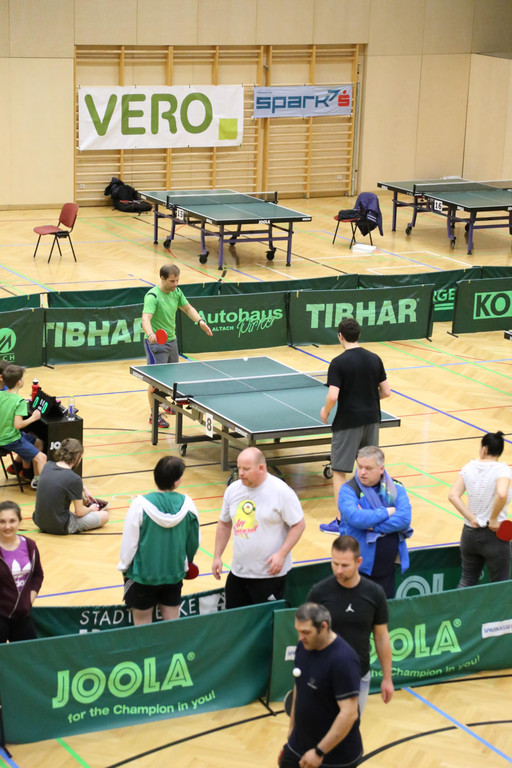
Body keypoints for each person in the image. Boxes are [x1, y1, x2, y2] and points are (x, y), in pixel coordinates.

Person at [319, 317, 390, 534]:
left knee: (339, 471)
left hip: (348, 422)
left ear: (340, 336)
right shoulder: (375, 358)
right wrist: (368, 398)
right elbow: (386, 392)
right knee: (370, 468)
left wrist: (326, 411)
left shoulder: (338, 363)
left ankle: (342, 521)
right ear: (359, 335)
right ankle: (373, 517)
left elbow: (333, 395)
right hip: (372, 420)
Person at [307, 535, 393, 712]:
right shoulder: (319, 592)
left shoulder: (375, 593)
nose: (339, 570)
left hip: (358, 677)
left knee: (351, 725)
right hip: (325, 677)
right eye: (335, 563)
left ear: (358, 562)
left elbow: (381, 637)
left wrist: (387, 678)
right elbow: (306, 636)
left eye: (345, 565)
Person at [212, 447, 305, 608]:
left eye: (246, 469)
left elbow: (299, 525)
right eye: (239, 468)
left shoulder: (281, 492)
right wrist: (217, 556)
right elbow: (224, 524)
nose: (241, 473)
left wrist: (281, 554)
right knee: (236, 618)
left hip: (270, 575)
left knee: (266, 621)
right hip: (239, 572)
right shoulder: (233, 490)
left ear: (261, 468)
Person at [118, 455, 200, 625]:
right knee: (171, 624)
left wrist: (124, 567)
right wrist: (186, 563)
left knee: (143, 627)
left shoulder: (139, 505)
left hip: (142, 576)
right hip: (174, 573)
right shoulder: (188, 505)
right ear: (176, 481)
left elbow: (129, 542)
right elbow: (194, 541)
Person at [279, 602, 363, 768]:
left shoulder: (343, 660)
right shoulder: (303, 647)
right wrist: (292, 729)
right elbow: (299, 687)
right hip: (299, 745)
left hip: (333, 756)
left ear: (323, 627)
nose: (301, 637)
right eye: (298, 631)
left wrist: (319, 752)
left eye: (306, 632)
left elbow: (349, 713)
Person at [141, 263, 213, 429]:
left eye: (177, 280)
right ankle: (154, 415)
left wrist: (200, 321)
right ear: (162, 278)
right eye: (172, 281)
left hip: (172, 341)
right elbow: (146, 318)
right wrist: (151, 334)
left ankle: (163, 402)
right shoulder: (152, 296)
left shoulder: (177, 292)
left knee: (171, 377)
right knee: (155, 381)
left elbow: (188, 309)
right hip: (156, 344)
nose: (175, 284)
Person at [337, 446, 412, 598]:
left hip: (387, 568)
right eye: (360, 467)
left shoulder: (396, 488)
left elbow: (404, 518)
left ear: (381, 469)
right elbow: (356, 518)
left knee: (383, 609)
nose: (362, 472)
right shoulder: (348, 490)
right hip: (357, 569)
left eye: (368, 468)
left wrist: (373, 526)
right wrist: (386, 512)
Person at [448, 430, 512, 587]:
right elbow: (502, 494)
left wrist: (471, 518)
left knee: (467, 581)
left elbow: (453, 495)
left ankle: (458, 605)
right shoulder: (502, 470)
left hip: (469, 534)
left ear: (484, 449)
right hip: (494, 536)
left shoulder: (468, 467)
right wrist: (493, 519)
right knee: (499, 586)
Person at [33, 438, 109, 535]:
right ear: (78, 457)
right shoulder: (74, 479)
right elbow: (79, 512)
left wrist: (84, 488)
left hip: (39, 521)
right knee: (105, 516)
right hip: (60, 526)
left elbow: (62, 480)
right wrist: (91, 509)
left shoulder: (47, 466)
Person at [0, 500, 44, 643]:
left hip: (22, 614)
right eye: (2, 521)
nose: (7, 526)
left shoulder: (30, 545)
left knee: (29, 653)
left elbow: (38, 575)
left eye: (12, 521)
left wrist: (29, 600)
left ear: (19, 521)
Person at [0, 364, 46, 489]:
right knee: (42, 458)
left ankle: (28, 474)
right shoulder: (19, 402)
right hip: (10, 439)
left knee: (38, 443)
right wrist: (33, 417)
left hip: (3, 435)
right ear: (19, 382)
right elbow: (18, 424)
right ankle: (41, 486)